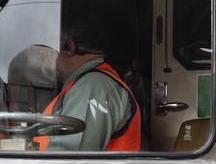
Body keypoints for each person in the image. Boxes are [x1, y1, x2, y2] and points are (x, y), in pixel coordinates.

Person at [32, 18, 142, 152]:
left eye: (49, 41)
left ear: (68, 46)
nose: (45, 51)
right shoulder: (90, 84)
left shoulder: (92, 87)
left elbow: (66, 161)